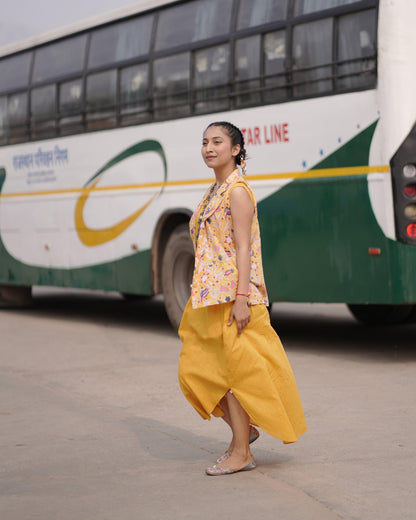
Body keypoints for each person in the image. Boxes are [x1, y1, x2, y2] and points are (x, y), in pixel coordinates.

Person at [178, 121, 307, 476]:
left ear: (235, 150)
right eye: (204, 142)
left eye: (217, 142)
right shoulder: (214, 191)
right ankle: (244, 431)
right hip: (208, 297)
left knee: (233, 375)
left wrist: (240, 297)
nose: (208, 148)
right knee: (196, 370)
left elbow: (245, 247)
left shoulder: (237, 192)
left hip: (232, 298)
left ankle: (241, 452)